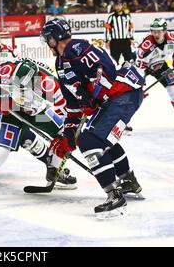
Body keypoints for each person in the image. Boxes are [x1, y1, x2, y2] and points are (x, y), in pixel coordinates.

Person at [40, 18, 145, 218]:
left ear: (54, 38)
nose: (47, 43)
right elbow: (73, 103)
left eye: (48, 38)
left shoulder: (75, 47)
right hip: (121, 97)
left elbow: (106, 69)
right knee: (98, 138)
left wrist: (92, 94)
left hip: (122, 93)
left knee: (90, 140)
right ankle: (127, 180)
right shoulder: (61, 64)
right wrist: (70, 130)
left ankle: (114, 196)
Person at [0, 59, 78, 208]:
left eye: (24, 89)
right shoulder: (4, 70)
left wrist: (66, 136)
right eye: (18, 86)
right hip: (10, 111)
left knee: (66, 134)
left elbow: (68, 114)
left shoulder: (51, 86)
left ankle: (54, 171)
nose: (20, 91)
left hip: (38, 111)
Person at [134, 18, 174, 129]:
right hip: (140, 66)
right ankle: (124, 121)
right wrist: (139, 84)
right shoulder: (146, 46)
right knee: (133, 93)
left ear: (165, 30)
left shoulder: (172, 39)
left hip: (160, 65)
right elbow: (139, 67)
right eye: (153, 31)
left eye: (159, 31)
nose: (156, 34)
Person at [104, 0, 134, 65]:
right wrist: (106, 41)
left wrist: (131, 38)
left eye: (119, 5)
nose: (118, 7)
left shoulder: (127, 16)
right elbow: (107, 29)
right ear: (114, 6)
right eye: (116, 5)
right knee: (114, 61)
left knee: (128, 60)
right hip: (115, 42)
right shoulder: (111, 17)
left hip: (125, 41)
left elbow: (131, 28)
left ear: (122, 6)